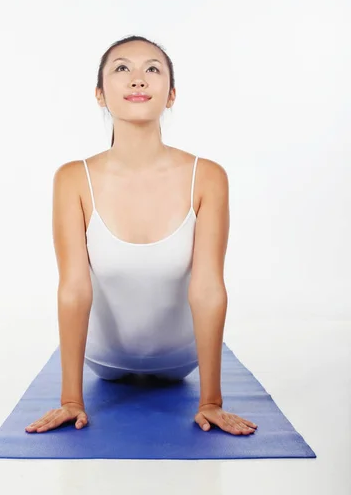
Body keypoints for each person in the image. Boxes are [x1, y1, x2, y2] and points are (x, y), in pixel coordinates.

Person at [25, 35, 258, 437]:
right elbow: (74, 289)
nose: (137, 80)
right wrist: (70, 400)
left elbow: (207, 289)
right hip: (105, 360)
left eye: (152, 69)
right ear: (100, 95)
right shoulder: (72, 179)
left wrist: (211, 402)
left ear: (170, 95)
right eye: (121, 69)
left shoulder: (208, 177)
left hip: (179, 360)